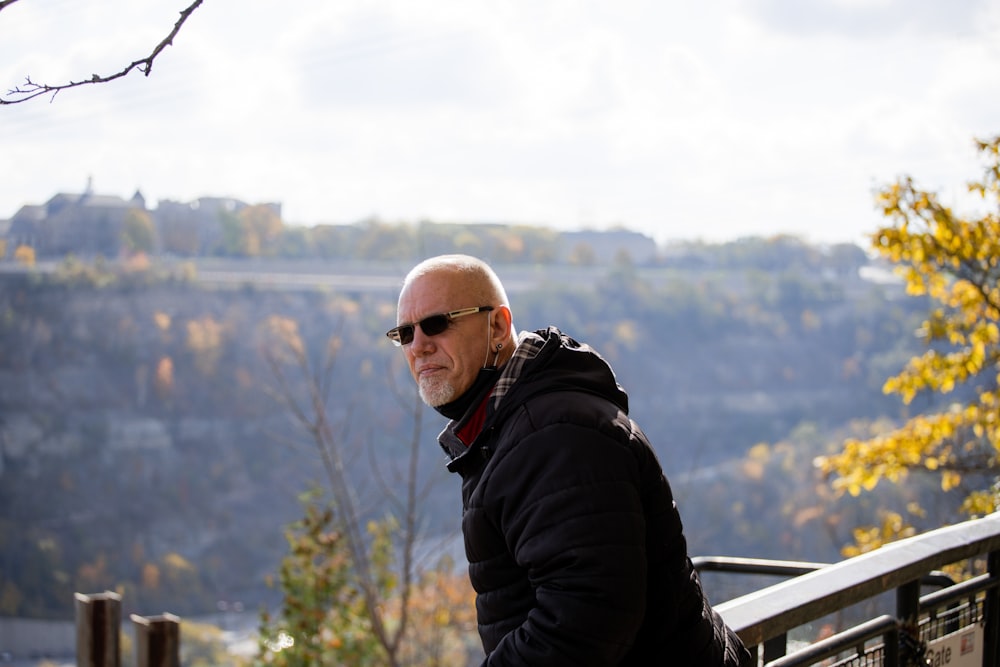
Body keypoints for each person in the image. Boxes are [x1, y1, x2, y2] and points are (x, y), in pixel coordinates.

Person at [387, 254, 752, 666]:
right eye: (404, 333)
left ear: (498, 327)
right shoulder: (516, 427)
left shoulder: (553, 436)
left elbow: (588, 619)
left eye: (438, 323)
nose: (419, 345)